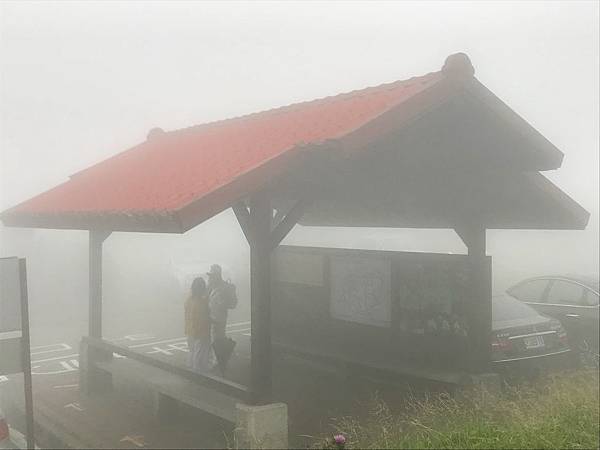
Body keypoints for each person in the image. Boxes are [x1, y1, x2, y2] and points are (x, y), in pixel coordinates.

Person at [184, 277, 212, 373]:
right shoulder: (202, 302)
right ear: (202, 289)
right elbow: (204, 317)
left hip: (189, 329)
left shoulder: (189, 300)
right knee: (200, 352)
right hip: (200, 331)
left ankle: (190, 367)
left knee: (191, 350)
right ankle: (198, 371)